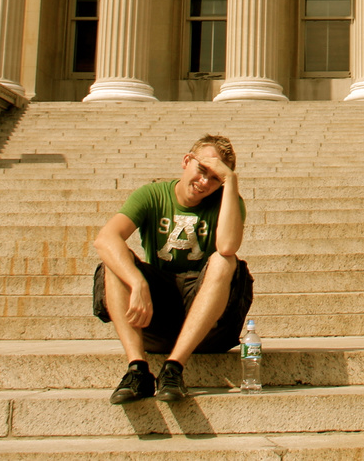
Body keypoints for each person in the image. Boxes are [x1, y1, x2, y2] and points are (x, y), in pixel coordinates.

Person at [92, 134, 253, 405]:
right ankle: (137, 370)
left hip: (207, 321)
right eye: (202, 170)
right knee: (113, 263)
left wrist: (231, 183)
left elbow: (226, 246)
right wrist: (138, 283)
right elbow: (105, 239)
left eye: (216, 178)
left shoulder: (228, 202)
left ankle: (173, 368)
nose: (205, 183)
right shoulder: (152, 195)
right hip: (156, 313)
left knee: (225, 261)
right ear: (186, 161)